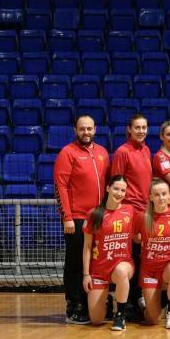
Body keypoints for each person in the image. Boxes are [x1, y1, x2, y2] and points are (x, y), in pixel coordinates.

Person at [54, 115, 111, 324]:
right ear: (75, 130)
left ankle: (94, 304)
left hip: (99, 217)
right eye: (82, 129)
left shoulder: (103, 152)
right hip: (77, 218)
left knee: (96, 262)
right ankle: (74, 305)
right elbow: (60, 186)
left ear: (95, 129)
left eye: (89, 128)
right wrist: (67, 217)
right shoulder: (67, 153)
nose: (86, 132)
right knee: (75, 262)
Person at [111, 114, 153, 321]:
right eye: (137, 127)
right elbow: (116, 183)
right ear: (129, 129)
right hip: (129, 212)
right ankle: (127, 304)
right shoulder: (122, 152)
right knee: (130, 257)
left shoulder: (146, 150)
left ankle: (137, 300)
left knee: (141, 257)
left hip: (144, 212)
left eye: (144, 127)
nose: (141, 131)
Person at [81, 175, 134, 330]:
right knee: (96, 320)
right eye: (116, 189)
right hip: (99, 270)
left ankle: (120, 315)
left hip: (123, 265)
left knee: (122, 271)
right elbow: (87, 246)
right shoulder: (94, 214)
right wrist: (86, 274)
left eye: (123, 190)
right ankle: (108, 303)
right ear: (108, 188)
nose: (119, 193)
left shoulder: (130, 210)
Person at [132, 179, 170, 329]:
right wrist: (146, 241)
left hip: (168, 264)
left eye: (164, 194)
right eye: (157, 194)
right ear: (150, 197)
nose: (161, 197)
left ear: (169, 196)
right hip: (149, 269)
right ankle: (155, 302)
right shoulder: (142, 217)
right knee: (152, 319)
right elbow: (134, 237)